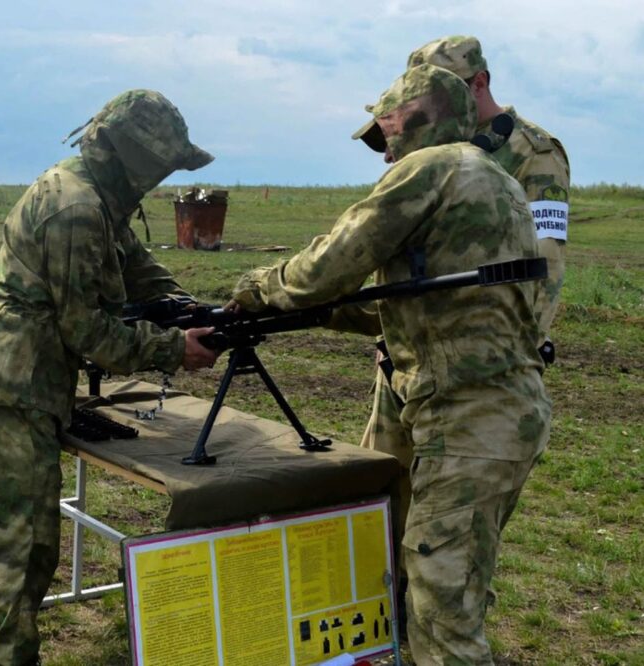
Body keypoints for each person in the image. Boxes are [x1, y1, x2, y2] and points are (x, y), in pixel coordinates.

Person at [230, 64, 550, 664]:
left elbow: (334, 259)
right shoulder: (498, 183)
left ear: (421, 119)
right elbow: (424, 308)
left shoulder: (434, 168)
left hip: (469, 422)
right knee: (447, 588)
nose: (386, 154)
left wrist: (258, 288)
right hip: (505, 415)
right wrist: (320, 316)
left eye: (389, 134)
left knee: (442, 617)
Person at [0, 89, 218, 666]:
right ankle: (13, 655)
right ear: (130, 155)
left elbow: (134, 264)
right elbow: (89, 331)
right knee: (26, 539)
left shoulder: (93, 194)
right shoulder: (77, 209)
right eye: (157, 164)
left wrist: (185, 305)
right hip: (18, 381)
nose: (157, 178)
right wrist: (173, 348)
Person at [359, 35, 571, 612]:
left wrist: (511, 351)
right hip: (402, 360)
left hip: (476, 372)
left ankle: (444, 625)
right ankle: (383, 626)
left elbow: (543, 267)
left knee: (452, 527)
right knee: (381, 493)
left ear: (478, 83)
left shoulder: (532, 154)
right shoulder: (424, 143)